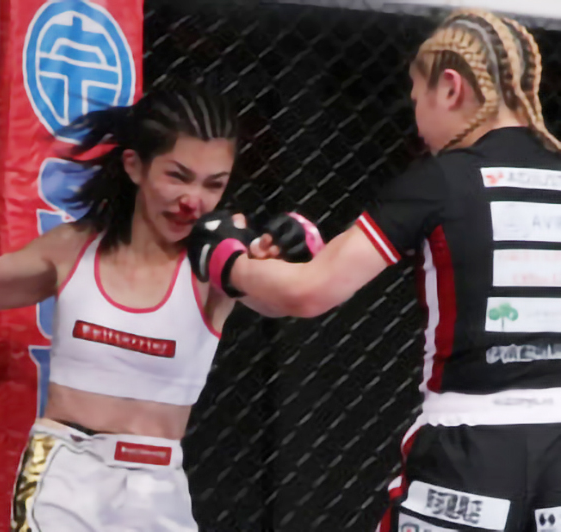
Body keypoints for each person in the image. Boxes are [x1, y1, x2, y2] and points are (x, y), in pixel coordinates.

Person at [0, 87, 320, 531]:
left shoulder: (220, 265)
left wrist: (300, 240)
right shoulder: (73, 249)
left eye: (213, 184)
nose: (193, 200)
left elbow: (290, 296)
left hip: (159, 488)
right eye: (178, 176)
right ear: (134, 165)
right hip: (65, 476)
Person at [189, 10, 561, 532]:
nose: (417, 120)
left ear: (450, 87)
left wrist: (223, 258)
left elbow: (311, 291)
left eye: (416, 97)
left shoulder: (442, 180)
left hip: (470, 447)